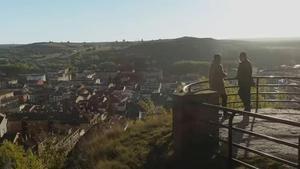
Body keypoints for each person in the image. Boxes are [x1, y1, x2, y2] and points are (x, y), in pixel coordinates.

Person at [209, 54, 228, 120]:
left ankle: (215, 113)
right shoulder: (219, 66)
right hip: (219, 85)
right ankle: (225, 113)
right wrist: (226, 74)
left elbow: (211, 75)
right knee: (224, 97)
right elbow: (222, 74)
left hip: (213, 85)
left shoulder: (212, 65)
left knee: (215, 99)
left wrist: (211, 84)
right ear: (218, 59)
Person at [237, 52, 254, 123]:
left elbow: (244, 73)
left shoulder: (244, 64)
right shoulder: (247, 63)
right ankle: (247, 107)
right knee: (246, 95)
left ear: (244, 57)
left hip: (244, 83)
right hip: (246, 83)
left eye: (241, 57)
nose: (240, 58)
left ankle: (247, 107)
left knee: (242, 93)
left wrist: (238, 76)